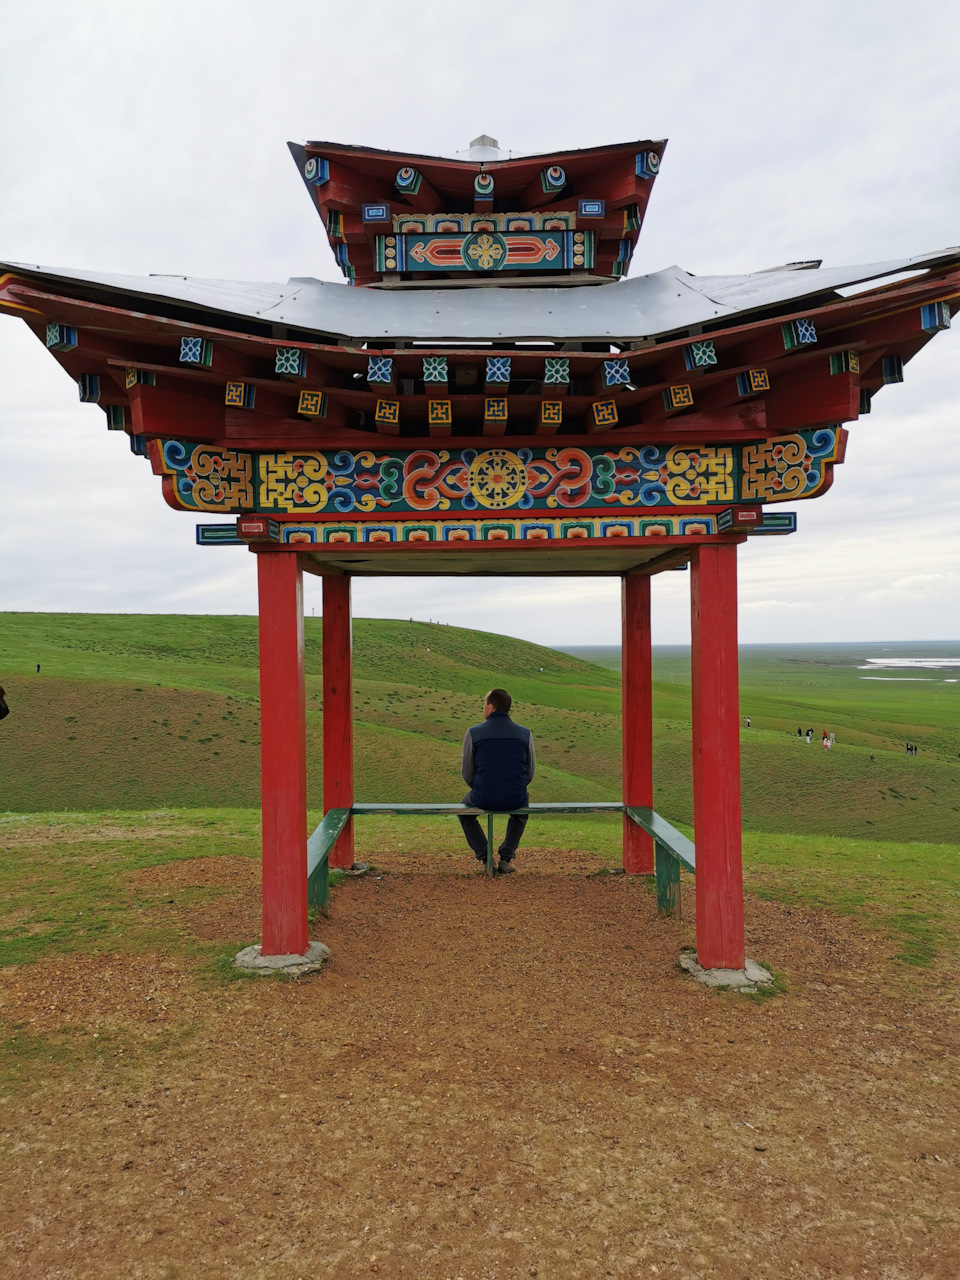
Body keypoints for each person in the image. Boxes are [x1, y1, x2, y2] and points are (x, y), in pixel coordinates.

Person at [458, 688, 535, 875]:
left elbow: (467, 772)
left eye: (484, 704)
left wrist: (480, 789)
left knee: (464, 811)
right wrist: (515, 787)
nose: (483, 707)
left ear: (491, 708)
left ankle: (485, 858)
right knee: (521, 812)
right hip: (515, 796)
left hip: (483, 796)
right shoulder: (525, 733)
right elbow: (530, 771)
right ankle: (506, 858)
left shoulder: (473, 732)